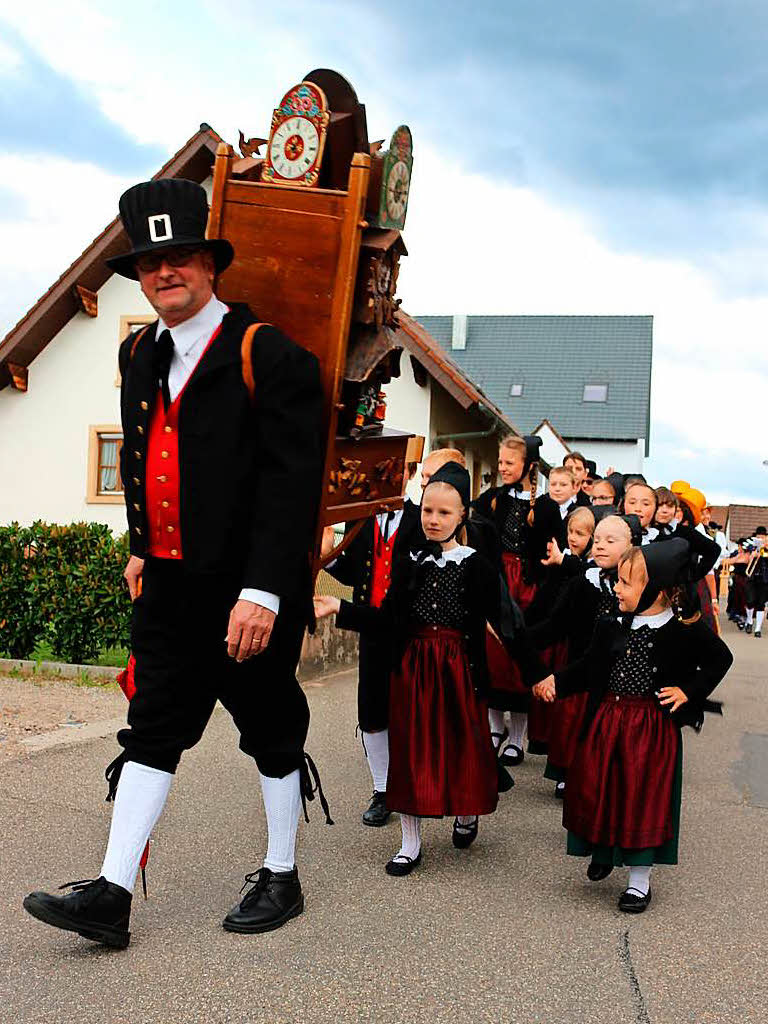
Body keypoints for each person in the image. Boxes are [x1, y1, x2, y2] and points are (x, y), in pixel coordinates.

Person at [23, 179, 325, 948]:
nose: (166, 273)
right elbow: (141, 460)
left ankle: (282, 872)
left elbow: (293, 489)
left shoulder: (267, 355)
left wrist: (262, 593)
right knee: (152, 727)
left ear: (209, 265)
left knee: (268, 726)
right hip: (168, 582)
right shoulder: (137, 352)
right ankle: (112, 895)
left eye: (181, 257)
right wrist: (138, 543)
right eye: (153, 261)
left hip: (247, 589)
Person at [315, 463, 546, 874]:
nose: (433, 520)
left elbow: (508, 622)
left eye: (444, 513)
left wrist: (537, 674)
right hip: (414, 671)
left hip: (460, 670)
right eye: (427, 511)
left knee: (464, 745)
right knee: (410, 750)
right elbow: (391, 620)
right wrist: (340, 607)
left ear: (462, 517)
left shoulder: (476, 565)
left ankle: (467, 811)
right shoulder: (410, 562)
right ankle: (409, 841)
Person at [534, 540, 732, 913]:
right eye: (617, 581)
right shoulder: (611, 624)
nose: (617, 589)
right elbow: (590, 665)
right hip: (607, 720)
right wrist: (556, 682)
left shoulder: (682, 629)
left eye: (625, 583)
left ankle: (639, 882)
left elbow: (721, 658)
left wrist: (689, 691)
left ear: (656, 590)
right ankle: (604, 849)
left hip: (651, 728)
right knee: (601, 787)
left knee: (642, 797)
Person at [321, 462, 422, 826]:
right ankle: (382, 790)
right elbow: (354, 572)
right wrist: (328, 558)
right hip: (371, 630)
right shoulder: (361, 518)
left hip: (409, 634)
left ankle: (409, 785)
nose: (384, 482)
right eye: (379, 475)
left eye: (392, 475)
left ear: (409, 473)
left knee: (407, 711)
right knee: (372, 713)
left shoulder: (421, 520)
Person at [473, 435, 559, 768]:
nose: (503, 467)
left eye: (510, 462)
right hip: (497, 582)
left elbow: (552, 554)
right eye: (501, 462)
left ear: (529, 466)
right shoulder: (492, 500)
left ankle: (517, 736)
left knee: (520, 658)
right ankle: (495, 728)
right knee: (493, 657)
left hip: (528, 587)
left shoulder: (547, 507)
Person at [531, 514, 630, 797]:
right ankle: (568, 772)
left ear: (631, 545)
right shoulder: (582, 581)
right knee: (574, 722)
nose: (600, 545)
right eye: (597, 539)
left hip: (617, 676)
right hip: (580, 665)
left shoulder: (638, 587)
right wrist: (518, 640)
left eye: (611, 541)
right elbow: (555, 625)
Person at [744, 526, 768, 637]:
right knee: (750, 601)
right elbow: (746, 558)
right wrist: (752, 555)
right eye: (758, 537)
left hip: (764, 579)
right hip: (751, 578)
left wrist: (762, 552)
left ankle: (757, 629)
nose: (760, 539)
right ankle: (749, 621)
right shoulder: (751, 546)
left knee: (760, 604)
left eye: (762, 537)